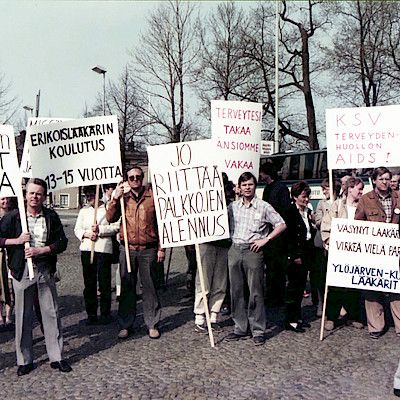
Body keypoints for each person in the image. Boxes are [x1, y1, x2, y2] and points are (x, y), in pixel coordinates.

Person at [0, 178, 71, 376]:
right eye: (31, 193)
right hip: (22, 272)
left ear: (44, 196)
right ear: (25, 195)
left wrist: (42, 250)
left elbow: (62, 242)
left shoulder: (50, 216)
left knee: (52, 314)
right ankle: (25, 360)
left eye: (39, 193)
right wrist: (16, 241)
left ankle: (57, 356)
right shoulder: (14, 217)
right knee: (23, 317)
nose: (34, 196)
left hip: (44, 270)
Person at [225, 172, 286, 346]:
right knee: (236, 291)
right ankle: (240, 327)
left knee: (256, 291)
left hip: (254, 251)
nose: (247, 188)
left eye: (250, 184)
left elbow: (281, 224)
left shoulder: (263, 206)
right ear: (239, 187)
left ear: (255, 186)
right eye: (244, 185)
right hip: (235, 249)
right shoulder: (233, 207)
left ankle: (258, 329)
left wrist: (265, 239)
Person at [106, 165, 165, 340]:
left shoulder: (153, 197)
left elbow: (162, 224)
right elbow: (110, 218)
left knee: (150, 288)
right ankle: (126, 324)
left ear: (143, 177)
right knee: (127, 288)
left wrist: (162, 248)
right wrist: (115, 199)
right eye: (131, 178)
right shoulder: (122, 198)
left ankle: (152, 324)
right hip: (128, 249)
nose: (135, 180)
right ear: (127, 180)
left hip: (149, 249)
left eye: (138, 177)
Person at [355, 166, 400, 339]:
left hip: (396, 250)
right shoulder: (366, 200)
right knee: (372, 289)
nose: (385, 182)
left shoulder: (398, 197)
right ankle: (376, 326)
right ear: (374, 180)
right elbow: (358, 224)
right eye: (381, 179)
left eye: (387, 179)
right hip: (373, 252)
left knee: (397, 287)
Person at [320, 177, 365, 331]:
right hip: (339, 252)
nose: (361, 192)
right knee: (335, 286)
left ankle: (353, 316)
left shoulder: (363, 206)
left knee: (354, 285)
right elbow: (326, 225)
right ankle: (332, 317)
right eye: (359, 189)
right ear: (350, 189)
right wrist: (330, 243)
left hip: (357, 252)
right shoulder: (338, 205)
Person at [74, 185, 120, 325]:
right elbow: (77, 229)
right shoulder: (84, 211)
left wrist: (100, 230)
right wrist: (87, 234)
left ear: (98, 194)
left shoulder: (108, 208)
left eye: (92, 194)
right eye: (87, 195)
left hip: (103, 249)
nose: (89, 197)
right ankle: (91, 313)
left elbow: (116, 226)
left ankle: (105, 313)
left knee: (104, 282)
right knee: (89, 283)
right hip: (87, 249)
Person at [193, 173, 232, 333]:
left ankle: (214, 314)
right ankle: (200, 315)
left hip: (223, 245)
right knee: (203, 280)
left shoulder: (230, 203)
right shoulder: (202, 201)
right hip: (206, 243)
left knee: (220, 281)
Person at [284, 181, 316, 333]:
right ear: (295, 197)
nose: (307, 199)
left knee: (301, 287)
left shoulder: (307, 211)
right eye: (303, 196)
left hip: (307, 252)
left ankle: (297, 317)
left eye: (307, 196)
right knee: (293, 289)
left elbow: (308, 231)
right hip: (296, 255)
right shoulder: (290, 212)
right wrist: (293, 255)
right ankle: (291, 320)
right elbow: (288, 237)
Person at [259, 163, 291, 307]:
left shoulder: (281, 188)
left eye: (261, 172)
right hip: (269, 232)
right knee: (271, 267)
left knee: (278, 267)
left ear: (266, 173)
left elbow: (283, 211)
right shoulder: (268, 188)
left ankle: (278, 296)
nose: (260, 175)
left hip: (279, 233)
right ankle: (272, 295)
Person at [312, 178, 341, 316]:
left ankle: (338, 305)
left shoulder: (341, 202)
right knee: (321, 276)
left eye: (326, 188)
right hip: (322, 244)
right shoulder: (321, 203)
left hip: (338, 244)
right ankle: (321, 304)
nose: (324, 191)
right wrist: (329, 220)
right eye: (323, 188)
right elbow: (318, 222)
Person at [0, 197, 16, 330]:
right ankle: (0, 318)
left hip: (11, 254)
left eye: (7, 199)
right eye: (2, 199)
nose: (5, 201)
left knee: (11, 287)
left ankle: (9, 317)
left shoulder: (16, 215)